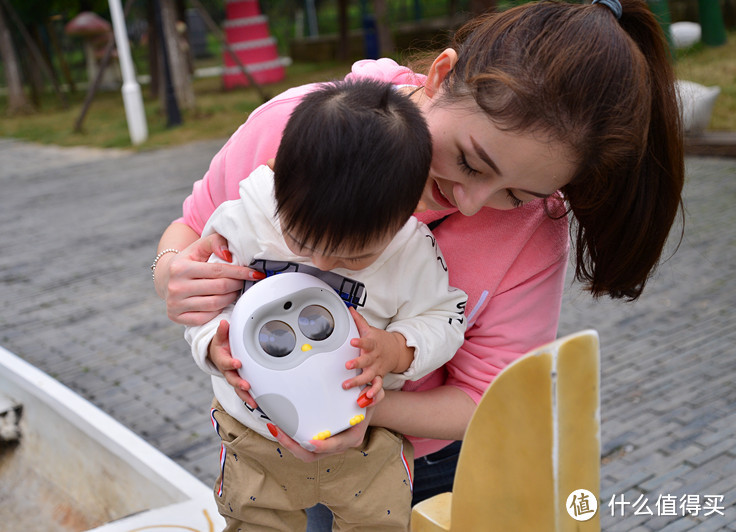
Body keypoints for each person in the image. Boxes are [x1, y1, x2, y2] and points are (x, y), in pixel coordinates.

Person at [153, 0, 684, 523]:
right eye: (471, 161)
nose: (472, 202)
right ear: (441, 73)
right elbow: (193, 227)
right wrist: (173, 272)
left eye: (516, 194)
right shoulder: (297, 126)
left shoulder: (533, 235)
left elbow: (485, 397)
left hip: (421, 466)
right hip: (263, 448)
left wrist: (360, 405)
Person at [184, 79, 468, 531]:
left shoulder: (412, 249)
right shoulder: (244, 219)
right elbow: (202, 302)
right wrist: (212, 348)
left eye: (353, 257)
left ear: (406, 215)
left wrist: (397, 349)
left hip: (365, 440)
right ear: (279, 178)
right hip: (255, 435)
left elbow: (446, 317)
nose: (318, 262)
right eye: (299, 240)